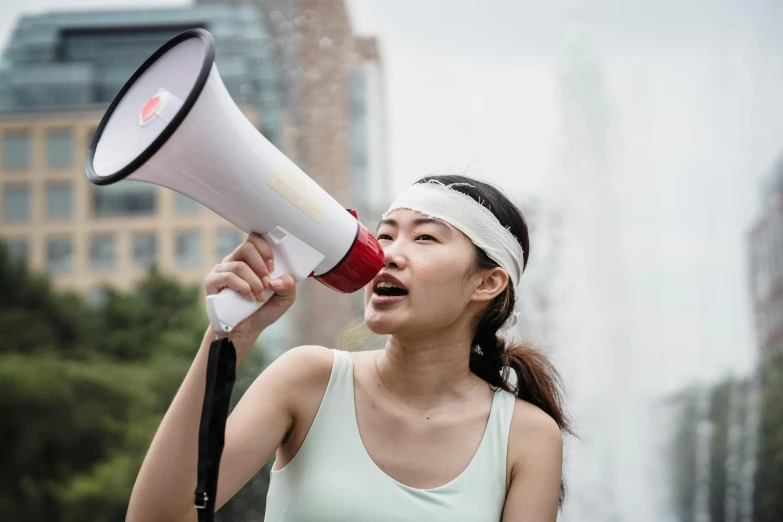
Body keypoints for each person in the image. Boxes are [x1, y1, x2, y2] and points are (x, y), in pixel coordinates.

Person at [126, 174, 570, 522]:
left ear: (487, 282)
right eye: (385, 235)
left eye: (425, 238)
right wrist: (226, 339)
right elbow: (157, 518)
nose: (387, 255)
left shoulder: (526, 436)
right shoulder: (307, 380)